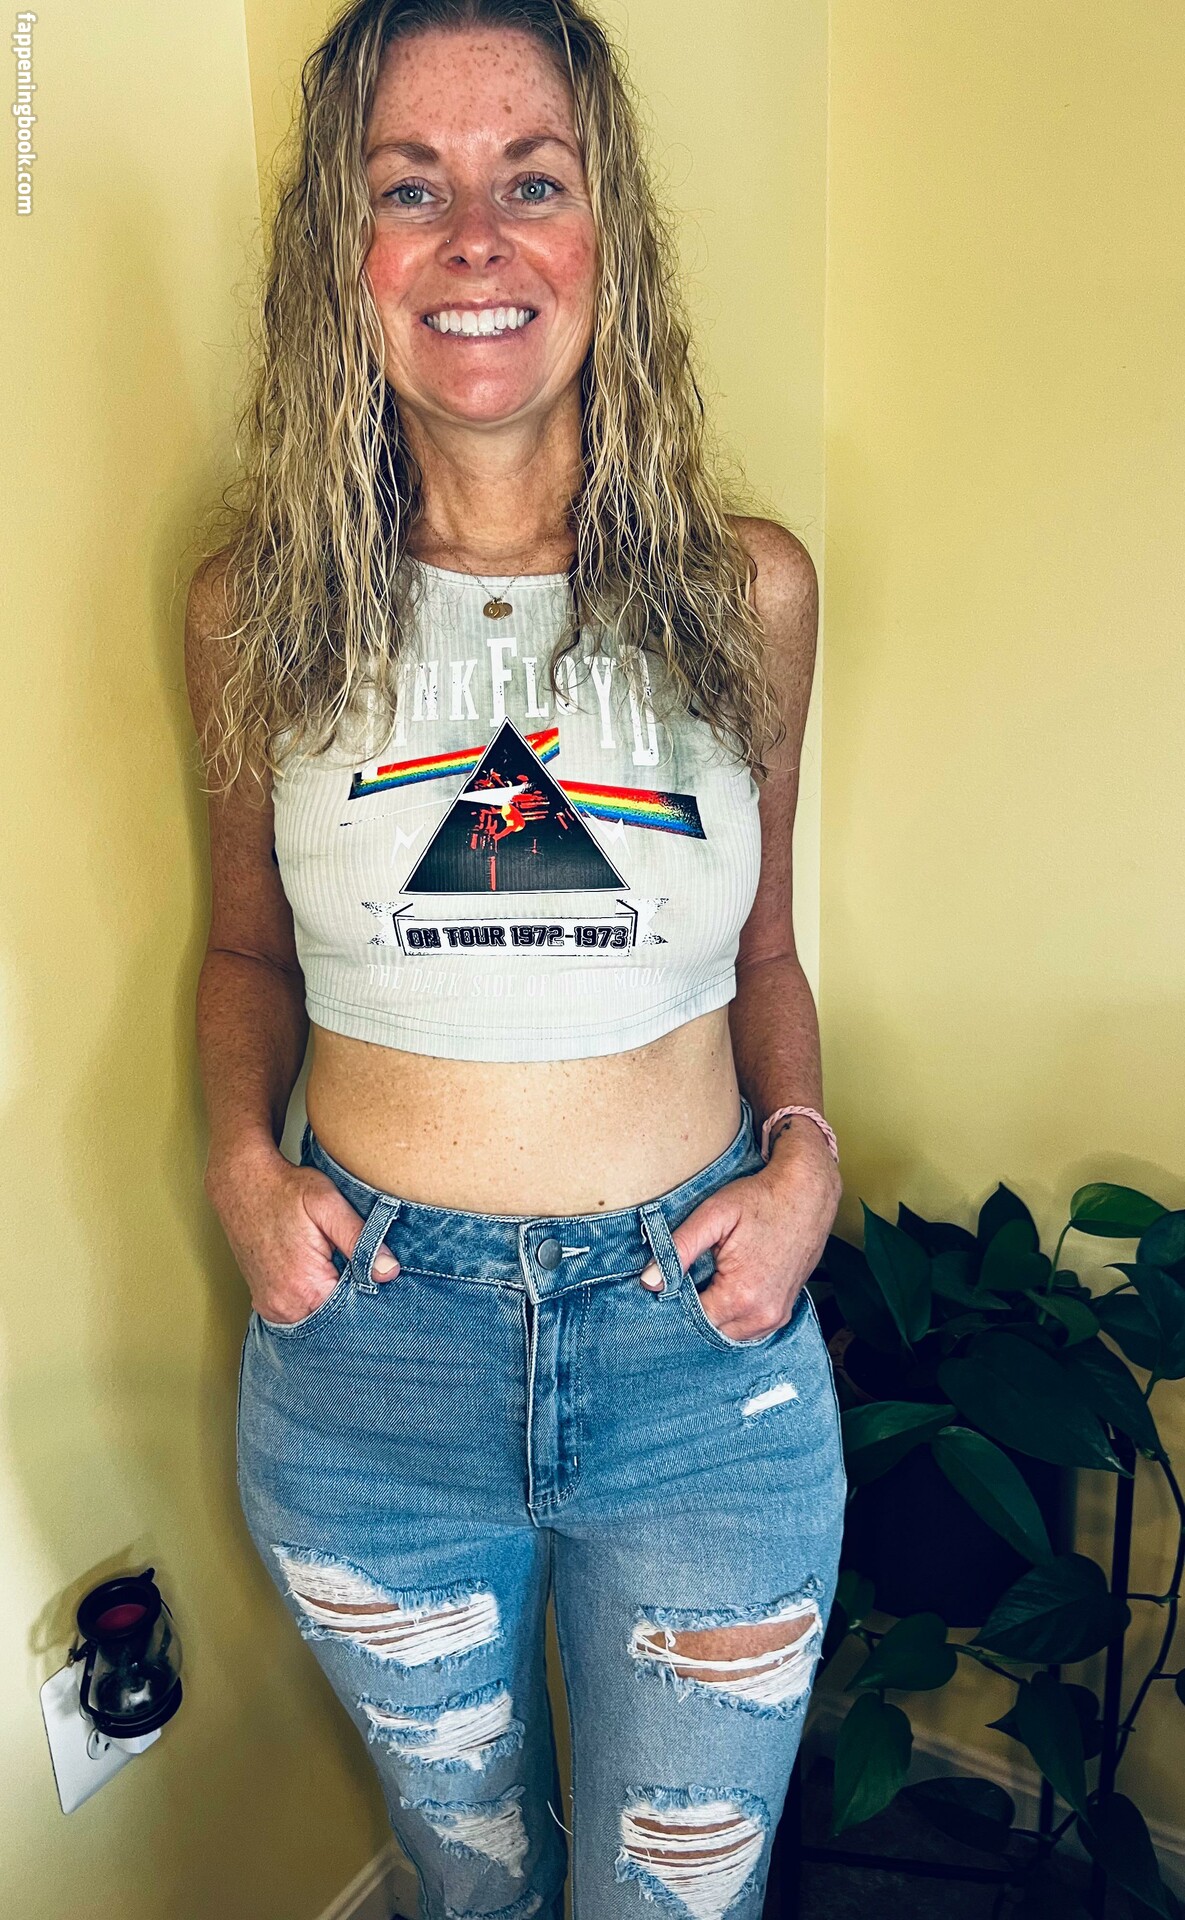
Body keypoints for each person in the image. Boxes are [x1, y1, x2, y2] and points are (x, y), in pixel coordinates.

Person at [184, 1, 846, 1914]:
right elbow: (243, 950)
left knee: (676, 1893)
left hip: (699, 1362)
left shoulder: (747, 592)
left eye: (529, 181)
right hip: (370, 1370)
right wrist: (239, 1167)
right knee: (467, 1887)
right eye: (411, 188)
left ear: (601, 234)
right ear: (346, 258)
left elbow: (764, 950)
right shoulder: (253, 611)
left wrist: (804, 1154)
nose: (474, 238)